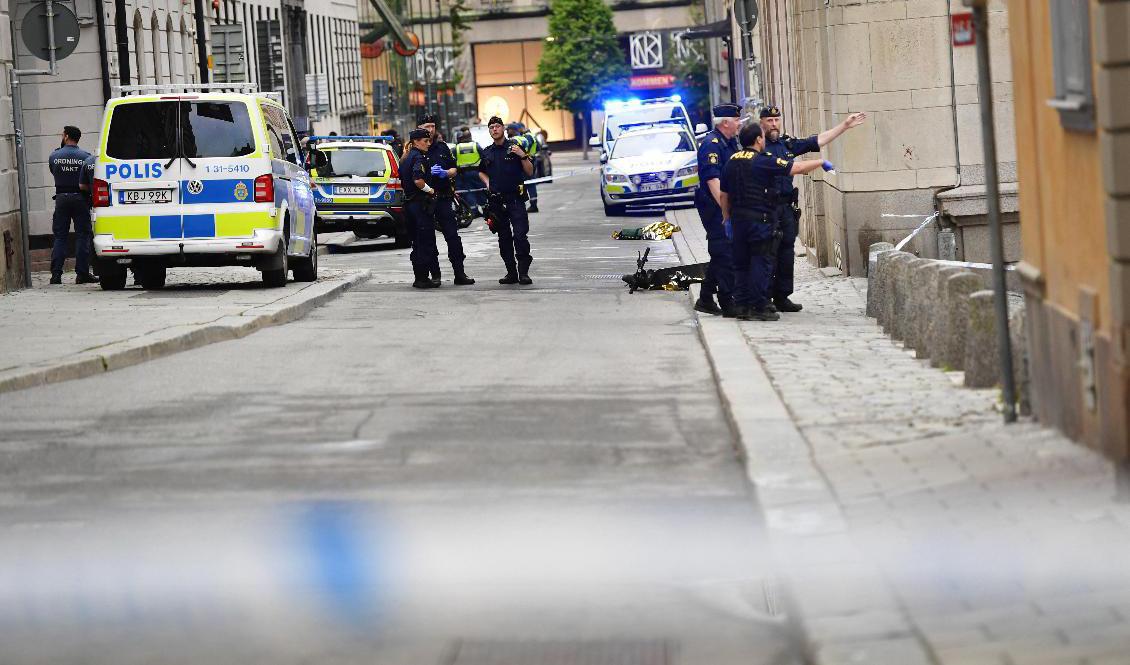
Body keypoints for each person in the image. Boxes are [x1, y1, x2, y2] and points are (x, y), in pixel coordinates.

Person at [720, 123, 833, 321]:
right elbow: (794, 168)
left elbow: (723, 195)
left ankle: (743, 305)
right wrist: (820, 162)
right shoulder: (761, 160)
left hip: (738, 221)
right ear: (758, 140)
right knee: (760, 261)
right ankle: (758, 306)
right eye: (762, 137)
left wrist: (726, 218)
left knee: (741, 264)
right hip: (759, 221)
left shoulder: (731, 161)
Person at [759, 105, 867, 312]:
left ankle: (782, 296)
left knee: (786, 252)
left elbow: (816, 141)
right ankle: (764, 297)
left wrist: (844, 126)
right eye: (769, 121)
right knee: (767, 253)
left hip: (786, 208)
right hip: (767, 209)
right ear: (761, 123)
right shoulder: (758, 147)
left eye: (776, 120)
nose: (774, 124)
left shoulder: (786, 144)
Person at [692, 104, 742, 316]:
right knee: (724, 251)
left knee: (723, 252)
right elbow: (713, 181)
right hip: (714, 206)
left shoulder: (729, 143)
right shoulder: (711, 145)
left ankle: (705, 297)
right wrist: (726, 212)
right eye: (737, 120)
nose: (739, 124)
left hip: (725, 204)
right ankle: (728, 301)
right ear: (725, 123)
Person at [418, 113, 474, 285]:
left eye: (433, 126)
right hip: (425, 200)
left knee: (453, 236)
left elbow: (453, 169)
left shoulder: (442, 147)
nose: (430, 130)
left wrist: (445, 173)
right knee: (428, 239)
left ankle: (460, 273)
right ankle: (435, 275)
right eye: (427, 127)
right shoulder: (416, 149)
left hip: (443, 198)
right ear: (419, 129)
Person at [480, 116, 534, 285]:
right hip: (497, 202)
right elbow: (481, 171)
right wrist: (488, 183)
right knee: (504, 239)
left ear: (503, 128)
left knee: (520, 236)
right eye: (491, 127)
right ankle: (511, 272)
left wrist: (523, 155)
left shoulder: (514, 148)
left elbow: (530, 172)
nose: (494, 129)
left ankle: (523, 272)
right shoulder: (487, 151)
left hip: (515, 199)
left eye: (497, 126)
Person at [48, 126, 96, 285]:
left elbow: (53, 172)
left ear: (67, 136)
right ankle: (82, 273)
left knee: (60, 236)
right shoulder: (85, 157)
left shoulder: (54, 156)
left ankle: (56, 275)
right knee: (83, 235)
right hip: (80, 198)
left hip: (61, 198)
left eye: (62, 134)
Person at [398, 128, 441, 289]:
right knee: (425, 242)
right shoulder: (418, 157)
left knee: (416, 243)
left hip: (409, 206)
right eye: (425, 141)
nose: (429, 144)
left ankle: (419, 277)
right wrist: (431, 191)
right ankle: (423, 278)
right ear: (416, 142)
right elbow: (418, 180)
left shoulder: (406, 158)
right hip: (420, 205)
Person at [506, 122, 539, 213]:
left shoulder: (514, 140)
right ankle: (533, 203)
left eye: (508, 130)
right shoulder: (525, 139)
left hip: (520, 164)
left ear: (513, 130)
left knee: (520, 184)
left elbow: (509, 153)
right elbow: (536, 148)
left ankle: (522, 205)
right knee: (530, 183)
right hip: (528, 161)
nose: (507, 132)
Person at [452, 128, 485, 218]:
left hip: (463, 174)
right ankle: (485, 210)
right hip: (477, 172)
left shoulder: (456, 148)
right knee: (481, 190)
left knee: (469, 192)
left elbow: (452, 161)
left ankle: (473, 211)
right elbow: (484, 157)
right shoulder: (475, 145)